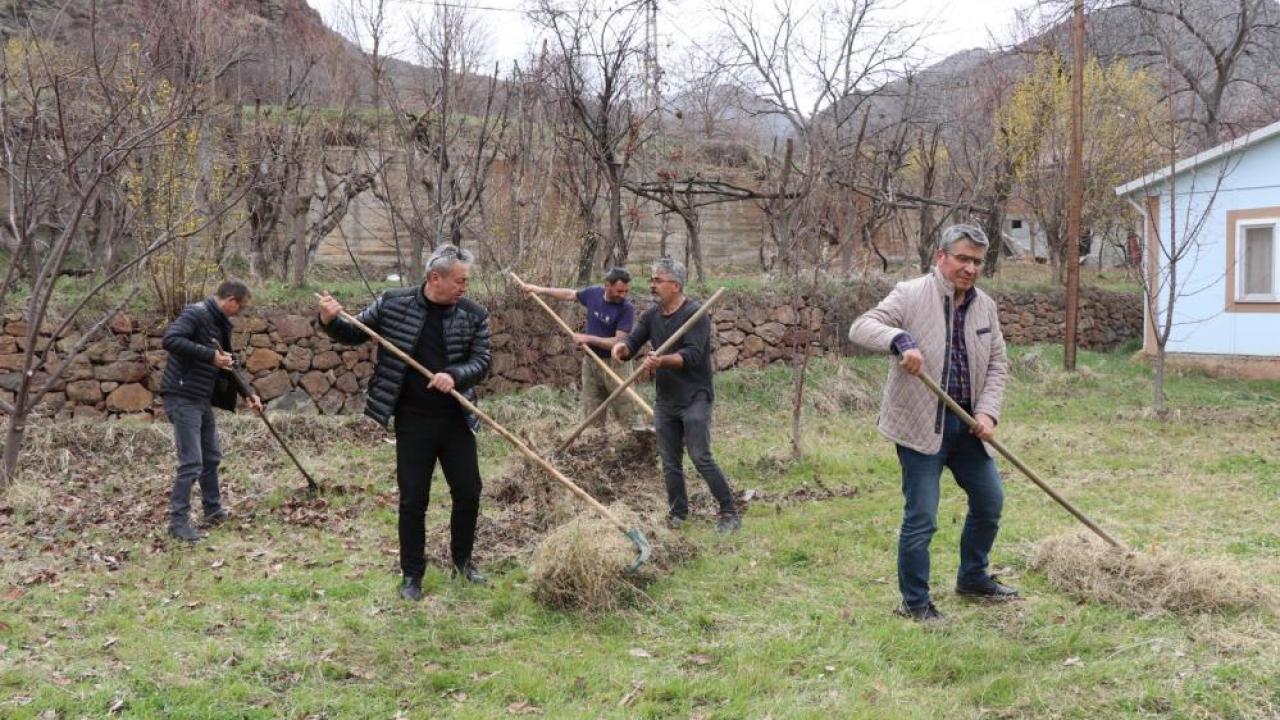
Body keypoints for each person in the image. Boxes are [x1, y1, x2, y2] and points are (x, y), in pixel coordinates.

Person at [849, 224, 1015, 622]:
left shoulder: (984, 306)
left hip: (967, 427)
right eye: (962, 258)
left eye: (977, 261)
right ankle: (915, 602)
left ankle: (973, 577)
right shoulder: (910, 294)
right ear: (941, 257)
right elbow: (861, 327)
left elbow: (997, 364)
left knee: (990, 502)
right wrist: (900, 341)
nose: (970, 268)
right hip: (921, 426)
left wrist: (987, 412)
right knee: (922, 515)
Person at [317, 244, 491, 602]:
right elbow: (354, 332)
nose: (464, 287)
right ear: (434, 278)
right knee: (413, 499)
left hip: (456, 417)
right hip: (413, 419)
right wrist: (330, 319)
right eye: (459, 281)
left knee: (469, 491)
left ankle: (462, 563)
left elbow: (482, 361)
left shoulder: (474, 314)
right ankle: (412, 575)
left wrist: (454, 375)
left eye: (467, 281)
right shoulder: (393, 303)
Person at [612, 258, 740, 534]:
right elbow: (633, 343)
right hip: (666, 400)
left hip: (695, 397)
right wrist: (621, 350)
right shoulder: (652, 316)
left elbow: (692, 355)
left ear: (676, 285)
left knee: (700, 455)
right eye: (653, 280)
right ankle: (679, 513)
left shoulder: (696, 314)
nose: (653, 285)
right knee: (670, 461)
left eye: (658, 280)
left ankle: (729, 511)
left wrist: (662, 360)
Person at [160, 279, 263, 542]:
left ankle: (213, 511)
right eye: (239, 308)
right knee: (192, 462)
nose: (238, 313)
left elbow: (227, 364)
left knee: (211, 456)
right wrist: (209, 355)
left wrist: (249, 395)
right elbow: (170, 340)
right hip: (182, 397)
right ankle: (178, 523)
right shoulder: (196, 313)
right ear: (230, 300)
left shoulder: (218, 323)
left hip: (200, 398)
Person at [516, 268, 643, 429]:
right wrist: (539, 290)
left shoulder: (626, 308)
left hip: (616, 365)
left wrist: (588, 338)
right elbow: (570, 294)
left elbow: (618, 342)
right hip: (591, 362)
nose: (623, 295)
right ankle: (595, 445)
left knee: (627, 408)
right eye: (619, 291)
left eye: (626, 291)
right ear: (607, 285)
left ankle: (638, 441)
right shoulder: (593, 294)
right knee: (591, 411)